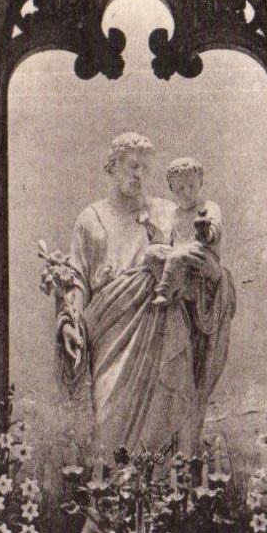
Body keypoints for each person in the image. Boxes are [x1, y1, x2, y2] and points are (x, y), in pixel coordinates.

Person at [56, 132, 235, 459]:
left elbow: (206, 268)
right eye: (132, 166)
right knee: (109, 422)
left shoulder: (170, 212)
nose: (139, 174)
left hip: (167, 336)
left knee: (169, 422)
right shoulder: (90, 220)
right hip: (111, 337)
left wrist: (212, 276)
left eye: (146, 168)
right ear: (111, 167)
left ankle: (174, 503)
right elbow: (76, 278)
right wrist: (69, 322)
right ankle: (109, 500)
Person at [151, 157, 223, 308]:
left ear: (200, 183)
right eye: (180, 188)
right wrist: (149, 228)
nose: (187, 193)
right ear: (172, 188)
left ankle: (164, 292)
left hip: (202, 255)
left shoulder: (208, 207)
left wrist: (205, 232)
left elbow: (214, 232)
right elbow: (166, 240)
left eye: (191, 186)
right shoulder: (173, 214)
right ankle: (178, 286)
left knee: (176, 255)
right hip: (178, 257)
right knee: (151, 253)